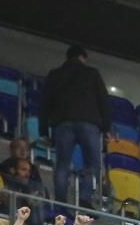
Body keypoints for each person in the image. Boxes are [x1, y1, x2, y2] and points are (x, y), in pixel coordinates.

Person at [41, 45, 108, 208]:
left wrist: (44, 130)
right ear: (83, 57)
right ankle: (85, 197)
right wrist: (106, 128)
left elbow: (44, 102)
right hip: (89, 123)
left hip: (62, 122)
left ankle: (61, 203)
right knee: (92, 164)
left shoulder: (55, 74)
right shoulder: (92, 73)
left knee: (63, 164)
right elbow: (104, 101)